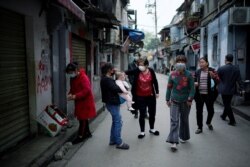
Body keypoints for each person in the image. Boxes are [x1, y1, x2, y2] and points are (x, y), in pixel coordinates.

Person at [166, 55, 195, 151]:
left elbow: (192, 89)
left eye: (182, 61)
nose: (180, 63)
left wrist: (190, 99)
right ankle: (174, 141)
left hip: (186, 101)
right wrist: (167, 99)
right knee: (174, 121)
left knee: (184, 120)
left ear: (185, 63)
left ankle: (184, 136)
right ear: (176, 63)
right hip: (174, 100)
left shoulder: (189, 75)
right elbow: (169, 88)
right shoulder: (172, 75)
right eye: (178, 61)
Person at [125, 58, 160, 139]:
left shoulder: (151, 71)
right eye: (139, 64)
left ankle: (152, 129)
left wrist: (157, 92)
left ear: (147, 65)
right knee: (142, 114)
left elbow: (155, 81)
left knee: (152, 114)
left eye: (142, 65)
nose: (140, 66)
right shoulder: (137, 70)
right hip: (140, 96)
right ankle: (142, 132)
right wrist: (119, 73)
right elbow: (127, 72)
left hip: (151, 96)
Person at [65, 62, 97, 144]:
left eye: (71, 72)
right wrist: (70, 94)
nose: (70, 74)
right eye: (69, 73)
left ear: (76, 70)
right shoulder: (74, 78)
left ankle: (80, 136)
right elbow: (73, 89)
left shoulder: (83, 77)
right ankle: (88, 133)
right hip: (79, 101)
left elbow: (86, 90)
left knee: (82, 119)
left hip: (85, 102)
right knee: (83, 118)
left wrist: (75, 96)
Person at [100, 63, 129, 150]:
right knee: (118, 122)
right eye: (112, 69)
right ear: (109, 70)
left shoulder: (107, 79)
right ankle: (119, 143)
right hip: (111, 103)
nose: (114, 70)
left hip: (112, 102)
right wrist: (121, 80)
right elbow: (116, 88)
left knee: (115, 121)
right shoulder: (106, 80)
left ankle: (113, 140)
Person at [194, 57, 220, 134]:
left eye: (202, 62)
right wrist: (194, 84)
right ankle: (199, 127)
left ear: (207, 63)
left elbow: (218, 81)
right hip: (199, 95)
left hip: (209, 95)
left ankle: (208, 122)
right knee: (199, 112)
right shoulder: (198, 71)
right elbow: (194, 80)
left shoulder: (212, 71)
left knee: (211, 111)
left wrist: (214, 77)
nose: (200, 64)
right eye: (200, 62)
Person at [217, 54, 245, 126]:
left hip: (223, 89)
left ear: (226, 59)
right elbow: (239, 80)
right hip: (232, 89)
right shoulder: (236, 69)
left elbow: (217, 79)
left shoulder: (221, 68)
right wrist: (242, 89)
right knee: (227, 103)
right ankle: (223, 116)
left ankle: (232, 120)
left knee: (226, 104)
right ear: (232, 60)